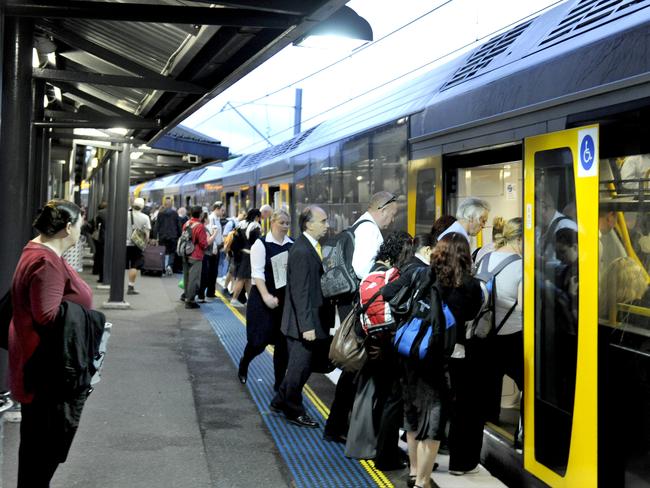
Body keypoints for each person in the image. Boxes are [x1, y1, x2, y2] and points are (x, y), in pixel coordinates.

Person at [9, 199, 104, 487]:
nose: (81, 231)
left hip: (39, 367)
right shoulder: (46, 262)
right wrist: (92, 319)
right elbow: (47, 315)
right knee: (41, 456)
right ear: (66, 228)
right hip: (47, 374)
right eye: (78, 225)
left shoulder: (38, 251)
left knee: (36, 455)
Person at [324, 191, 399, 444]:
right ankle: (341, 427)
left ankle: (339, 425)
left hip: (355, 305)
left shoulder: (360, 226)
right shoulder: (369, 230)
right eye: (392, 214)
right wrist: (385, 272)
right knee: (357, 366)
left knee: (356, 367)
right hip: (361, 308)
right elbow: (362, 269)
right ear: (382, 208)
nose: (391, 220)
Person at [270, 206, 333, 428]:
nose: (327, 225)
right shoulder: (302, 251)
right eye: (323, 221)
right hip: (301, 325)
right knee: (299, 370)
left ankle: (279, 401)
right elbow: (300, 291)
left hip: (305, 322)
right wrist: (307, 326)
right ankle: (294, 411)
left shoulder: (309, 247)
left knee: (301, 367)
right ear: (309, 224)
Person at [238, 209, 293, 390]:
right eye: (282, 222)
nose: (285, 226)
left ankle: (278, 383)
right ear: (272, 223)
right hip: (263, 299)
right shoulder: (260, 245)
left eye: (287, 223)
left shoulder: (292, 244)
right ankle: (244, 364)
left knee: (282, 344)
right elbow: (257, 273)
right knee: (258, 343)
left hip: (283, 301)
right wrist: (266, 296)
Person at [477, 218, 524, 425]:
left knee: (489, 383)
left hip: (484, 334)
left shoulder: (485, 258)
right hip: (512, 335)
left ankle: (490, 423)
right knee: (527, 384)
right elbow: (523, 305)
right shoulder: (522, 266)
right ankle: (525, 430)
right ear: (521, 239)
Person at [182, 205, 214, 309]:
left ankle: (186, 296)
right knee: (194, 279)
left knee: (187, 277)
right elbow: (203, 243)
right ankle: (190, 301)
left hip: (186, 253)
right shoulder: (200, 226)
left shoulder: (187, 223)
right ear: (200, 214)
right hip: (196, 255)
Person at [230, 209, 262, 307]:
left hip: (240, 254)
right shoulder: (255, 226)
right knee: (242, 278)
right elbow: (257, 242)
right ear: (256, 216)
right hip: (248, 255)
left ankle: (250, 300)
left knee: (247, 279)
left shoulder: (241, 224)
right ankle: (234, 299)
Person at [126, 197, 152, 295]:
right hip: (136, 245)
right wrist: (145, 243)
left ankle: (116, 286)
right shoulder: (145, 217)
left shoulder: (126, 215)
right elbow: (147, 235)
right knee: (134, 265)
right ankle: (130, 286)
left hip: (123, 244)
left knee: (121, 265)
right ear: (142, 207)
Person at [154, 197, 180, 276]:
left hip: (163, 236)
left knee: (163, 252)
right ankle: (169, 266)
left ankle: (162, 268)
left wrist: (155, 237)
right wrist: (179, 235)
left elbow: (157, 226)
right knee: (172, 252)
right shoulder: (175, 213)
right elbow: (178, 225)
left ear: (164, 204)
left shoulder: (160, 213)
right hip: (173, 236)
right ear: (171, 204)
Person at [92, 201, 107, 283]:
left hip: (101, 238)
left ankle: (101, 276)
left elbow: (96, 225)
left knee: (100, 256)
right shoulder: (113, 212)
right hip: (111, 238)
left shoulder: (100, 213)